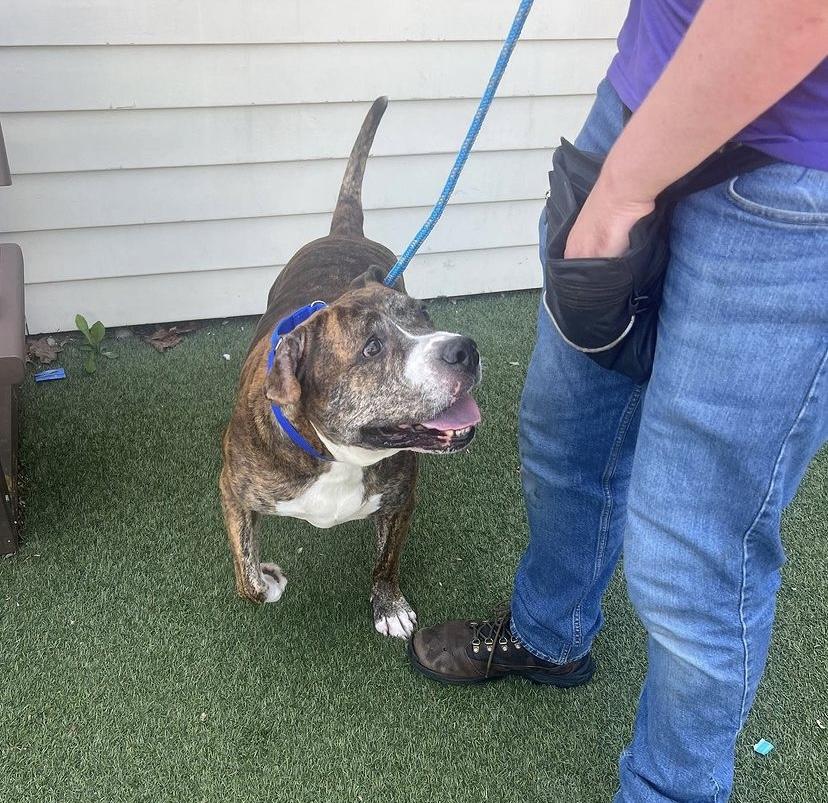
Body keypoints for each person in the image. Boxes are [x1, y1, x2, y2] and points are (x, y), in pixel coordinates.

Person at [407, 1, 828, 800]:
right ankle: (550, 633)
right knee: (565, 430)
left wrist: (622, 195)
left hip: (800, 176)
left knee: (695, 547)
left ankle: (669, 787)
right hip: (648, 91)